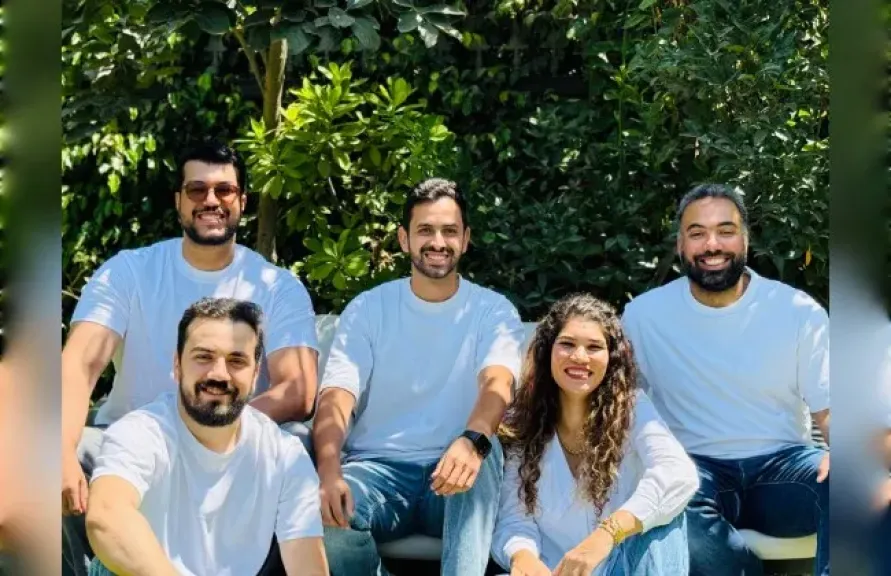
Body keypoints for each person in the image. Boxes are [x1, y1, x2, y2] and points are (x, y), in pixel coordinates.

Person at [61, 141, 320, 575]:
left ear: (242, 201)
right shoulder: (129, 271)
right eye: (197, 190)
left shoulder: (276, 286)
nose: (211, 200)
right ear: (179, 201)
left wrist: (207, 430)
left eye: (224, 190)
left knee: (296, 443)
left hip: (233, 441)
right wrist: (59, 448)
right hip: (124, 437)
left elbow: (297, 390)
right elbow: (78, 363)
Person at [312, 178, 526, 576]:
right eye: (425, 230)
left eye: (449, 231)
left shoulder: (493, 311)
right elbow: (337, 396)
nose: (438, 242)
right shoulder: (368, 309)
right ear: (403, 239)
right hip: (377, 470)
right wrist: (327, 470)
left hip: (455, 475)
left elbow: (497, 383)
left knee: (485, 450)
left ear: (466, 239)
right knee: (321, 516)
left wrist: (472, 439)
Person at [621, 184, 830, 576]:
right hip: (691, 470)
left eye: (726, 231)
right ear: (680, 245)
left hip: (783, 469)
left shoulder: (796, 310)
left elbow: (830, 409)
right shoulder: (643, 317)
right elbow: (619, 406)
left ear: (746, 240)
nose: (712, 244)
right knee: (673, 516)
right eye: (697, 233)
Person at [85, 297, 328, 576]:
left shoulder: (283, 454)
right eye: (203, 357)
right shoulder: (142, 432)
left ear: (255, 373)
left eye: (237, 360)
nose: (219, 374)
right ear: (177, 365)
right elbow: (107, 515)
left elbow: (308, 566)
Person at [491, 293, 698, 576]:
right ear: (547, 350)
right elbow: (514, 517)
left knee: (664, 520)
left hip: (626, 566)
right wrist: (522, 556)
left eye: (594, 347)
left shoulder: (633, 408)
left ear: (611, 358)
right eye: (567, 344)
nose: (579, 357)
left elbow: (679, 474)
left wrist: (607, 534)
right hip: (556, 571)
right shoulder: (523, 420)